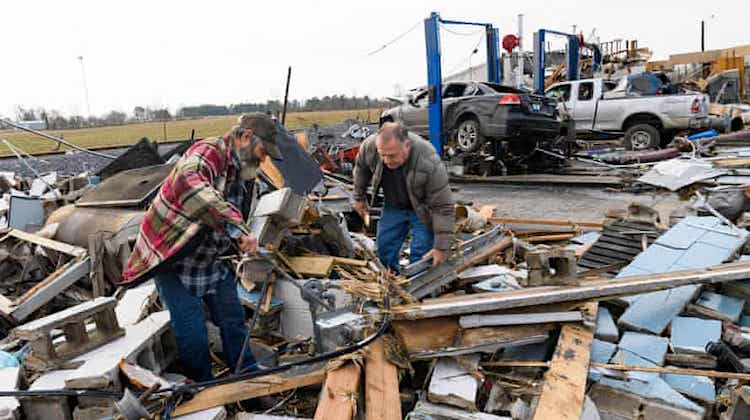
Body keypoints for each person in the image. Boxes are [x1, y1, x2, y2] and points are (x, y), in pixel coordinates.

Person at [122, 113, 283, 381]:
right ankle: (204, 393)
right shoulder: (207, 153)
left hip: (210, 260)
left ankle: (248, 379)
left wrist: (239, 242)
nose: (263, 159)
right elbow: (192, 185)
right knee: (192, 333)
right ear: (245, 137)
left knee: (233, 322)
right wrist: (237, 229)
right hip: (173, 257)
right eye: (262, 151)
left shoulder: (243, 173)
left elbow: (233, 213)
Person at [353, 122, 454, 272]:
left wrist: (441, 247)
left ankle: (417, 288)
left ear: (407, 145)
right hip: (393, 206)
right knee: (384, 249)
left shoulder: (428, 160)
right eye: (383, 155)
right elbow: (361, 169)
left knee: (421, 255)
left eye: (392, 155)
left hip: (423, 209)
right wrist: (359, 197)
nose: (386, 161)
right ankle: (391, 281)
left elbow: (443, 207)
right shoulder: (370, 147)